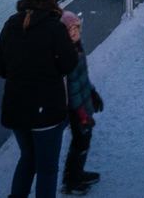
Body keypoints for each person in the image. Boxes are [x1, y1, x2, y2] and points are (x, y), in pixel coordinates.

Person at [0, 0, 79, 198]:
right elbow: (68, 65)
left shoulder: (10, 25)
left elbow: (1, 68)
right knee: (46, 169)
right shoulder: (54, 27)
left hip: (16, 111)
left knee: (28, 159)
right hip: (45, 112)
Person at [60, 10, 103, 195]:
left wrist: (92, 92)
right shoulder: (70, 55)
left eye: (77, 28)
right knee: (80, 142)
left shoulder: (78, 47)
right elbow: (73, 89)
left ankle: (75, 174)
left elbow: (83, 79)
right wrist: (83, 115)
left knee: (83, 141)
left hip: (84, 103)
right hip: (78, 110)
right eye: (70, 30)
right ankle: (71, 181)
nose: (74, 32)